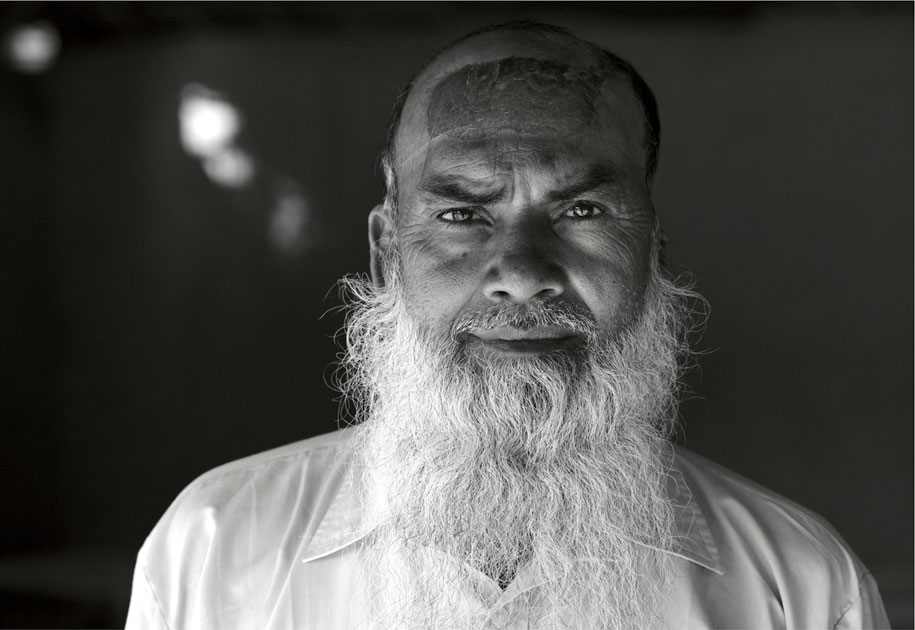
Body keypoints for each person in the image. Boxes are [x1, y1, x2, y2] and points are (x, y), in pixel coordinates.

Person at [125, 21, 889, 629]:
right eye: (462, 214)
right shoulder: (216, 547)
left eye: (581, 210)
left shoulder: (797, 585)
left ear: (650, 256)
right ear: (387, 252)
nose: (522, 272)